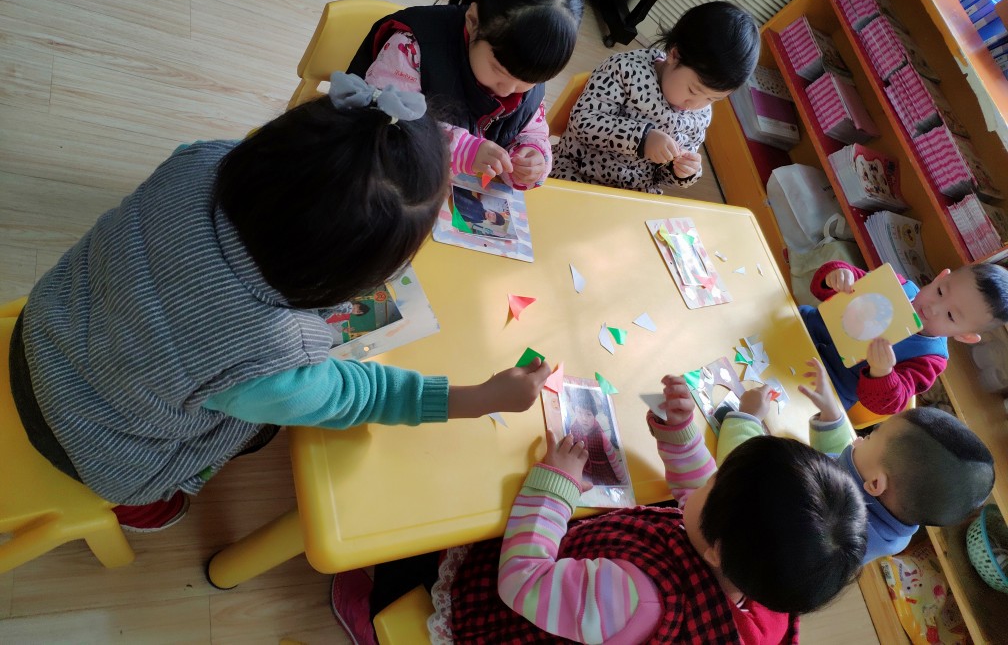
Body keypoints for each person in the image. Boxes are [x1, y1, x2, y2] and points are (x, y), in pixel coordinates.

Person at [8, 72, 551, 531]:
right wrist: (475, 399)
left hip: (40, 328)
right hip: (92, 447)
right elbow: (352, 397)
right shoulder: (269, 355)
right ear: (333, 276)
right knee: (259, 429)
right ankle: (142, 508)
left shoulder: (200, 160)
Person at [330, 373, 866, 644]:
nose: (709, 475)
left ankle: (373, 620)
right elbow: (701, 498)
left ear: (719, 548)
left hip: (514, 612)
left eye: (717, 479)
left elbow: (521, 581)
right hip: (588, 588)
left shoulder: (637, 598)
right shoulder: (765, 583)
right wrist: (680, 435)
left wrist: (553, 487)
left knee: (427, 546)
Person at [347, 0, 584, 191]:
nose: (508, 90)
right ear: (473, 21)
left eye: (527, 82)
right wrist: (460, 149)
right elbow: (383, 124)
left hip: (443, 190)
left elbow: (532, 129)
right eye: (498, 70)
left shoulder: (527, 68)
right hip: (376, 181)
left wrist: (532, 157)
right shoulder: (411, 47)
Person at [782, 359, 991, 562]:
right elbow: (844, 468)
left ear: (875, 484)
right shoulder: (892, 526)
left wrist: (758, 419)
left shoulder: (825, 519)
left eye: (870, 437)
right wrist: (832, 416)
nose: (858, 440)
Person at [550, 1, 759, 195]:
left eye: (713, 99)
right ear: (674, 55)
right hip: (577, 171)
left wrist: (682, 171)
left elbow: (662, 176)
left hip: (635, 192)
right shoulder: (625, 70)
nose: (696, 105)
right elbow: (583, 121)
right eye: (693, 91)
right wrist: (642, 139)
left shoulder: (700, 114)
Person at [800, 259, 1008, 415]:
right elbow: (829, 287)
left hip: (827, 388)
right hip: (802, 326)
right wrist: (838, 276)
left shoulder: (930, 359)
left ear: (965, 336)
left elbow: (889, 403)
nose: (933, 308)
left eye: (951, 316)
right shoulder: (897, 286)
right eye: (940, 292)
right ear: (939, 277)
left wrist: (882, 373)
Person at [565, 385, 628, 486]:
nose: (583, 418)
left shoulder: (602, 438)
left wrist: (624, 481)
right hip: (583, 473)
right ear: (574, 411)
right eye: (579, 412)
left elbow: (614, 463)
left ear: (594, 415)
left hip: (602, 475)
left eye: (588, 414)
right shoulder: (573, 429)